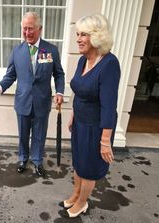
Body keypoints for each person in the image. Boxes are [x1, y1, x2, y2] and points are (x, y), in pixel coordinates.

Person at [0, 12, 65, 177]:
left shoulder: (51, 50)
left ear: (40, 29)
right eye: (24, 29)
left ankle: (37, 161)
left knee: (39, 134)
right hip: (23, 101)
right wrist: (0, 87)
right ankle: (23, 159)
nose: (27, 33)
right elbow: (10, 75)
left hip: (42, 101)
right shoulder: (17, 51)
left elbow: (59, 74)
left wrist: (59, 91)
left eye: (31, 29)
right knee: (23, 134)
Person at [59, 14, 120, 218]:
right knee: (78, 162)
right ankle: (76, 194)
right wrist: (73, 115)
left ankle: (83, 202)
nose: (78, 39)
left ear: (97, 37)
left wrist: (105, 141)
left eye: (83, 34)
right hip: (80, 122)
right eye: (77, 34)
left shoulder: (110, 64)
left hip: (96, 127)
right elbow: (79, 91)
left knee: (89, 168)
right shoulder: (83, 60)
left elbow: (109, 106)